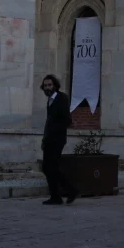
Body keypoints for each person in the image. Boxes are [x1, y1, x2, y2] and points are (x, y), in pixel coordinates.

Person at [40, 74, 78, 205]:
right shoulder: (50, 100)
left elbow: (67, 120)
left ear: (55, 85)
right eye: (45, 85)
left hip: (57, 139)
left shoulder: (61, 98)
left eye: (49, 85)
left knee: (52, 168)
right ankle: (56, 196)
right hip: (49, 139)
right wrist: (45, 139)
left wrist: (53, 133)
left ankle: (70, 191)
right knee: (46, 167)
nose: (47, 87)